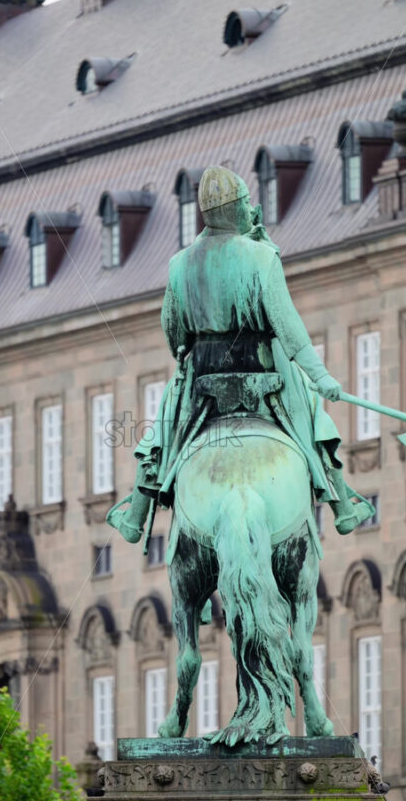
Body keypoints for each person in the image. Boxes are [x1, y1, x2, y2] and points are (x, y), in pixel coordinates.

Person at [107, 166, 373, 544]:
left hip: (202, 380)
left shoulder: (180, 264)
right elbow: (290, 330)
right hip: (267, 376)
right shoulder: (262, 256)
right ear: (234, 209)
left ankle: (136, 513)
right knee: (313, 413)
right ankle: (343, 504)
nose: (253, 207)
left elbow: (173, 332)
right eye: (247, 202)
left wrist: (189, 347)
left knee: (162, 423)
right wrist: (321, 377)